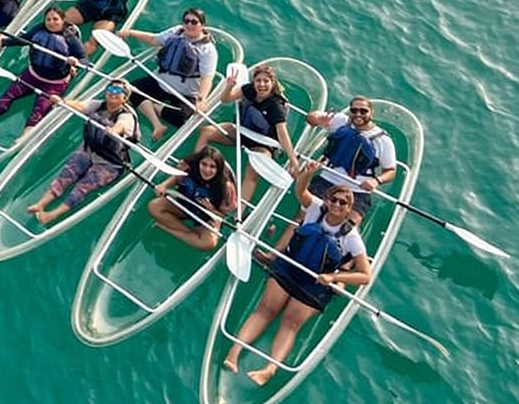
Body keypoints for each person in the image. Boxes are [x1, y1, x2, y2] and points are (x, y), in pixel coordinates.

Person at [222, 160, 372, 385]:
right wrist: (308, 174)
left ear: (349, 208)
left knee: (291, 322)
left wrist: (334, 277)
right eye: (334, 200)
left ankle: (269, 369)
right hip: (291, 266)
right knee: (266, 309)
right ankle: (234, 352)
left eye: (344, 203)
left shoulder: (351, 238)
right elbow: (300, 191)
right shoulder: (315, 207)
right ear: (328, 200)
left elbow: (365, 276)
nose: (337, 205)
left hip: (316, 283)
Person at [27, 79, 139, 226]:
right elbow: (80, 105)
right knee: (67, 173)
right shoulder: (99, 105)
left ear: (124, 98)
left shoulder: (127, 116)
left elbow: (121, 126)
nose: (113, 93)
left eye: (118, 91)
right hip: (89, 150)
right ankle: (41, 204)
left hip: (111, 162)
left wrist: (113, 131)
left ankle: (53, 215)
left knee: (83, 186)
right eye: (110, 89)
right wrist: (62, 101)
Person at [0, 7, 85, 140]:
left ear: (62, 20)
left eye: (55, 19)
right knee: (9, 94)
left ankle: (25, 136)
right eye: (48, 19)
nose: (51, 22)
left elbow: (85, 61)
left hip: (54, 84)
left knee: (40, 108)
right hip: (32, 75)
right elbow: (23, 39)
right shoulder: (38, 29)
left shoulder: (70, 38)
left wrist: (75, 61)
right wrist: (4, 42)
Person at [193, 63, 299, 199]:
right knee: (206, 132)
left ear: (272, 83)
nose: (262, 85)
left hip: (262, 144)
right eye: (258, 81)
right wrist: (229, 86)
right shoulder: (248, 89)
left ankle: (240, 210)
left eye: (266, 81)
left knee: (252, 171)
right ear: (253, 82)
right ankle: (196, 172)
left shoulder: (275, 106)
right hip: (241, 132)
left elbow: (282, 133)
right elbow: (225, 99)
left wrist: (292, 159)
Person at [119, 8, 218, 142]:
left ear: (202, 25)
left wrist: (201, 100)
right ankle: (157, 124)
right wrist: (130, 33)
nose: (189, 25)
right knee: (127, 91)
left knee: (183, 120)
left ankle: (153, 106)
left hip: (184, 93)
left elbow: (207, 78)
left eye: (194, 22)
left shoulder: (208, 50)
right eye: (186, 21)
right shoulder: (176, 32)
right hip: (160, 82)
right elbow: (153, 39)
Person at [304, 96, 397, 226]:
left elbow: (391, 171)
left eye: (363, 111)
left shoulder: (383, 140)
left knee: (347, 227)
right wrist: (318, 119)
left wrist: (376, 181)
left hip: (358, 189)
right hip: (328, 179)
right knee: (305, 216)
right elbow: (311, 117)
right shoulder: (341, 121)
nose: (358, 114)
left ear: (371, 113)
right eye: (354, 111)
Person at [147, 146, 237, 250]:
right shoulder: (189, 168)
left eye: (212, 167)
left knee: (208, 243)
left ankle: (167, 229)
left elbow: (224, 216)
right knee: (154, 206)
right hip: (183, 207)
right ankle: (191, 235)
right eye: (204, 164)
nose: (207, 170)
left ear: (218, 169)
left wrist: (211, 209)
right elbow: (177, 177)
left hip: (204, 219)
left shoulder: (226, 187)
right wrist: (164, 185)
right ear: (198, 162)